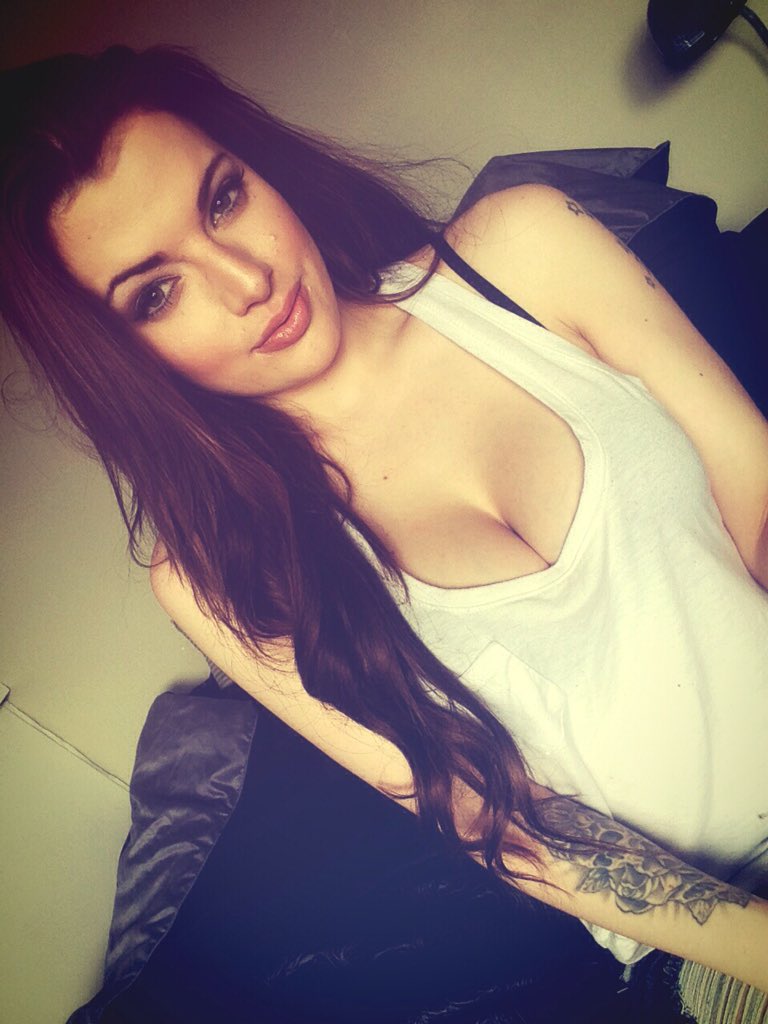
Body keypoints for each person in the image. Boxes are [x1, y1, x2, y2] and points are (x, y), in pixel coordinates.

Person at [1, 44, 766, 1000]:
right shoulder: (214, 573)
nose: (246, 279)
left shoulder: (523, 248)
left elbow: (757, 493)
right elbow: (497, 819)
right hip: (721, 933)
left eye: (224, 198)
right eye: (157, 291)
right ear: (121, 360)